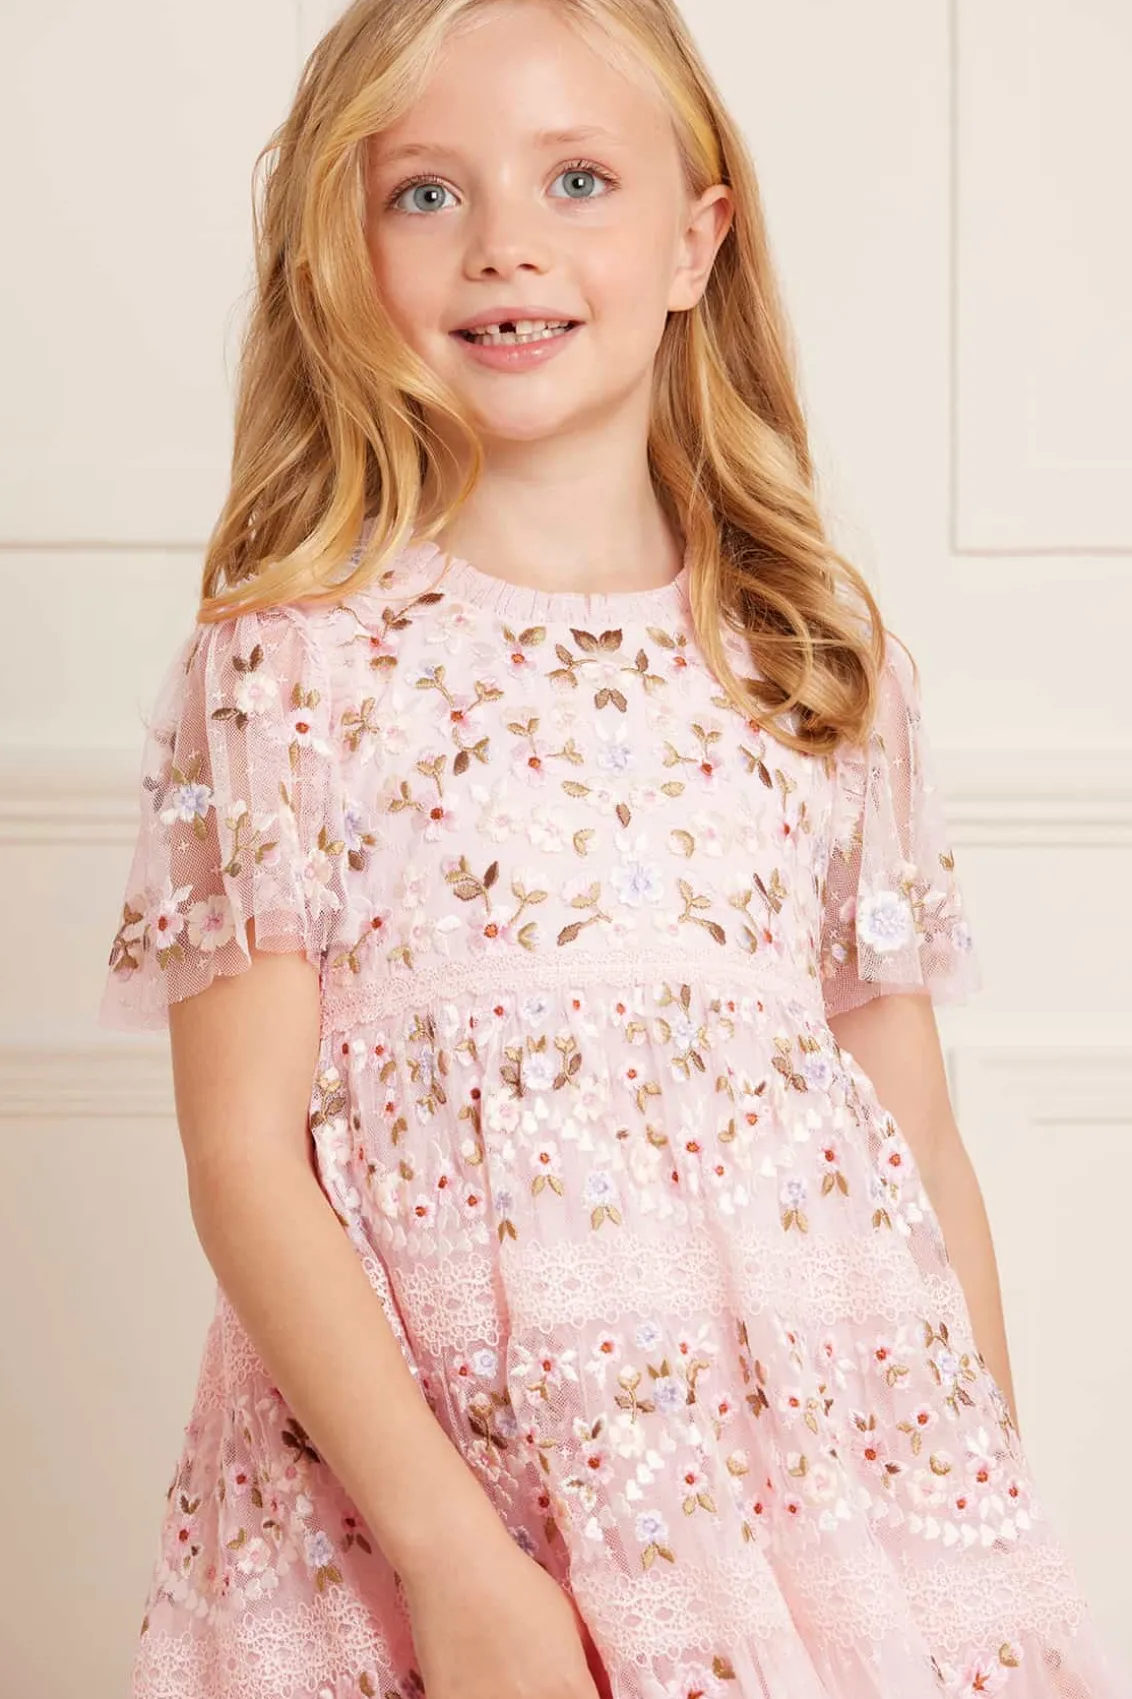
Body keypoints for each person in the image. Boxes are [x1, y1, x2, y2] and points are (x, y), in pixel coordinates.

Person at [99, 1, 1129, 1696]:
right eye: (426, 192)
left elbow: (916, 1139)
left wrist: (971, 1533)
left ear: (695, 241)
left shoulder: (815, 667)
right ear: (346, 252)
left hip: (790, 1508)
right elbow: (243, 1157)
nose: (504, 243)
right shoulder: (289, 670)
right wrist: (454, 1559)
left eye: (576, 178)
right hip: (415, 1516)